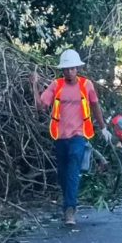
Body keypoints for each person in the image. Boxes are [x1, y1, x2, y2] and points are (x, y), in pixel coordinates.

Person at [31, 49, 110, 226]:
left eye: (72, 68)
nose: (69, 72)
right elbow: (40, 107)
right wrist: (34, 85)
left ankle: (70, 210)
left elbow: (95, 105)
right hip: (60, 136)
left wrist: (103, 127)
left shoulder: (86, 85)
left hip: (78, 135)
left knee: (73, 169)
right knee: (63, 174)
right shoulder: (56, 85)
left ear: (77, 68)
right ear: (63, 70)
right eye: (66, 69)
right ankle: (69, 202)